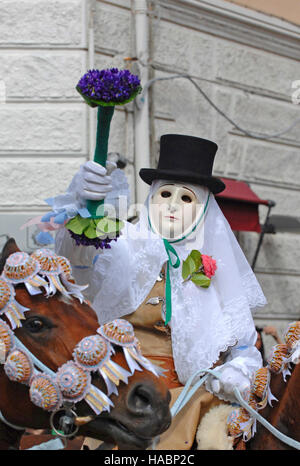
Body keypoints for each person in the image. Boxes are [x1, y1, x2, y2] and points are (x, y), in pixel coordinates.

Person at [54, 134, 267, 449]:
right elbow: (75, 260)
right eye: (165, 193)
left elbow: (247, 349)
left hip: (185, 403)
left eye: (186, 198)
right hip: (116, 393)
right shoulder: (120, 241)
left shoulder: (218, 269)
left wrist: (235, 373)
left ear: (204, 208)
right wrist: (82, 205)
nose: (172, 205)